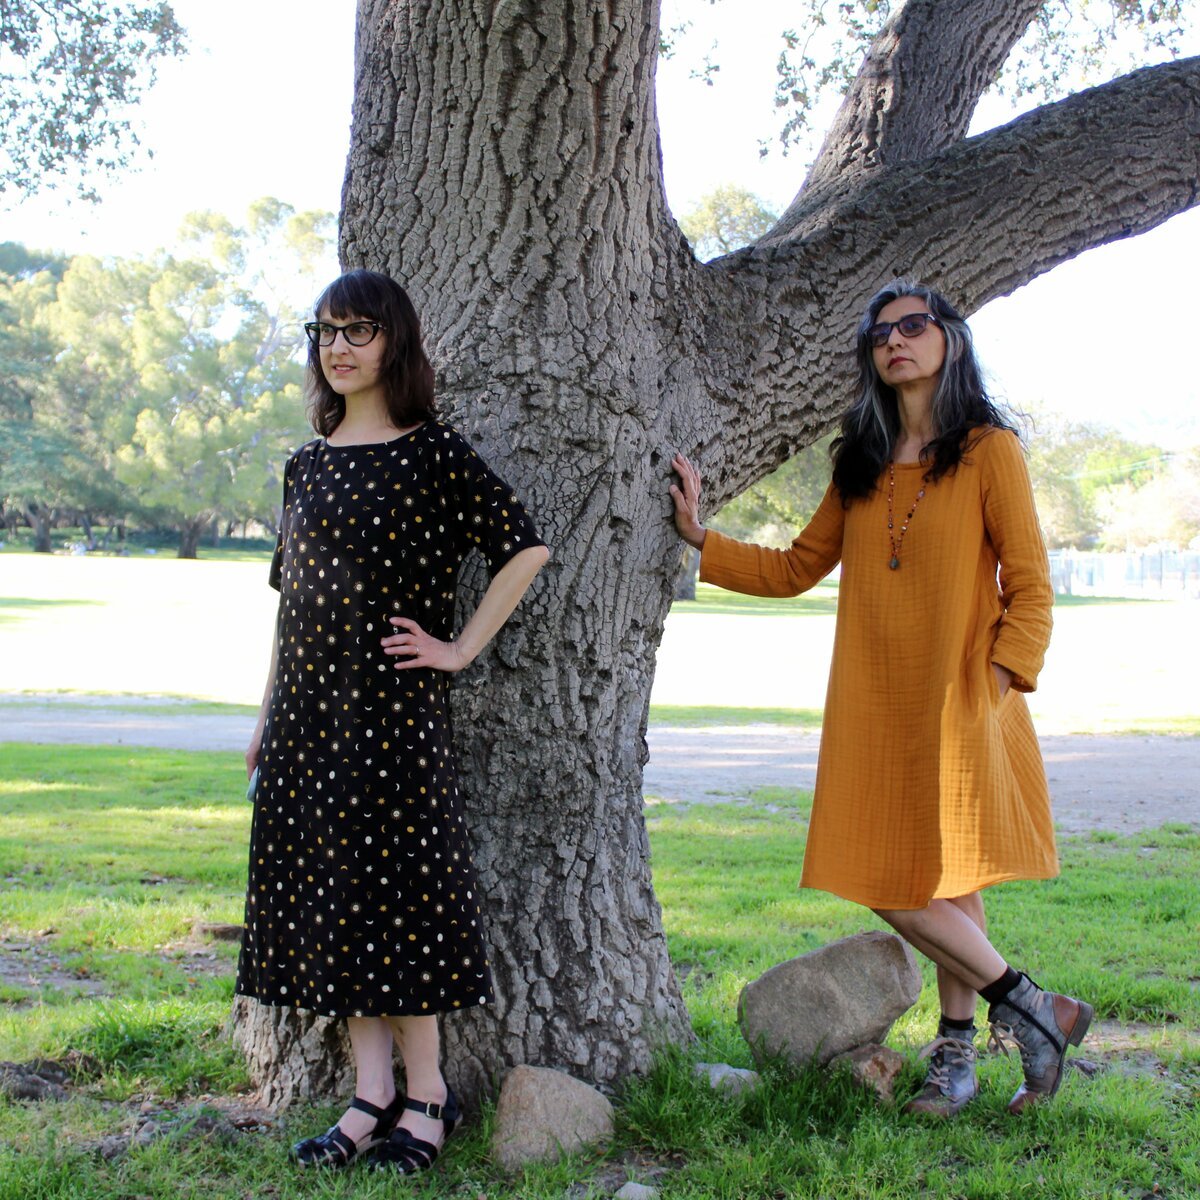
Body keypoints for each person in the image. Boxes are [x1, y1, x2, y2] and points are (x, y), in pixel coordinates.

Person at [669, 279, 1092, 1118]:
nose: (894, 340)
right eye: (879, 333)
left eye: (913, 326)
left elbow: (1031, 586)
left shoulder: (988, 450)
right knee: (884, 875)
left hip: (963, 696)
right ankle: (1037, 1011)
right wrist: (699, 540)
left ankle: (959, 1059)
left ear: (950, 342)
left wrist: (1001, 678)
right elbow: (795, 568)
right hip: (873, 700)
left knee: (951, 876)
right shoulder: (857, 459)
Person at [236, 269, 549, 1173]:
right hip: (306, 721)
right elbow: (288, 606)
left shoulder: (433, 454)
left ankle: (429, 1096)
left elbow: (524, 547)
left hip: (391, 719)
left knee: (401, 904)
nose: (337, 347)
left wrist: (458, 649)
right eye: (326, 331)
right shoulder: (308, 462)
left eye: (357, 331)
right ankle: (370, 1097)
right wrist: (266, 713)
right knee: (331, 905)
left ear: (393, 344)